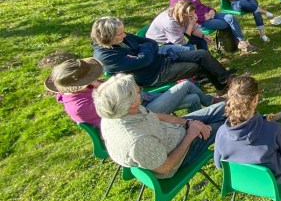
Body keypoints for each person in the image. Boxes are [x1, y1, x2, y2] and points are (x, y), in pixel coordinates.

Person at [94, 74, 227, 178]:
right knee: (226, 126)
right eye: (139, 93)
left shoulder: (121, 111)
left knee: (224, 107)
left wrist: (187, 123)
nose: (141, 92)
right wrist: (191, 135)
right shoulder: (138, 141)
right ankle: (242, 156)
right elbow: (166, 168)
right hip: (181, 155)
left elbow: (156, 116)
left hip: (177, 131)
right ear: (131, 103)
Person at [44, 58, 224, 127]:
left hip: (142, 103)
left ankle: (198, 125)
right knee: (185, 85)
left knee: (192, 96)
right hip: (140, 115)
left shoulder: (89, 88)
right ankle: (211, 107)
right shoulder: (81, 106)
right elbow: (127, 113)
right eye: (90, 76)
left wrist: (97, 84)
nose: (95, 77)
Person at [91, 16, 235, 92]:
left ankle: (224, 81)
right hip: (153, 75)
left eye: (123, 31)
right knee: (198, 66)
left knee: (202, 54)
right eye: (119, 34)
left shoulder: (123, 36)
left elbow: (151, 43)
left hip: (162, 59)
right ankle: (226, 85)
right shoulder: (106, 56)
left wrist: (144, 53)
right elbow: (144, 60)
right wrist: (145, 53)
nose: (124, 35)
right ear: (106, 36)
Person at [214, 75, 281, 182]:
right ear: (255, 99)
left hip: (241, 181)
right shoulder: (274, 129)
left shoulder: (221, 132)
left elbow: (219, 165)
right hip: (273, 181)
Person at [169, 0, 257, 53]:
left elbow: (200, 5)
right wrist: (204, 17)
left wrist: (211, 10)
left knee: (230, 17)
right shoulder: (176, 0)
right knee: (226, 23)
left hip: (208, 14)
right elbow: (188, 17)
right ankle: (233, 44)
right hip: (199, 22)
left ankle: (241, 42)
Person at [146, 0, 211, 53]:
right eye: (191, 14)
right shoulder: (170, 23)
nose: (193, 15)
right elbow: (182, 43)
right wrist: (191, 25)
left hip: (179, 36)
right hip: (161, 44)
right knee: (190, 48)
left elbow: (194, 29)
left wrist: (203, 36)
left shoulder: (184, 14)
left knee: (202, 39)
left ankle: (206, 59)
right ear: (183, 15)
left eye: (194, 12)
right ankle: (196, 65)